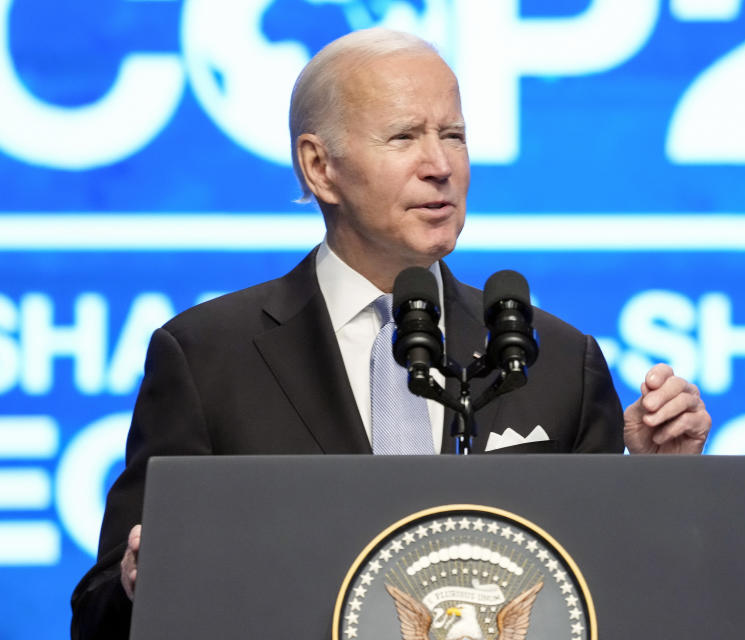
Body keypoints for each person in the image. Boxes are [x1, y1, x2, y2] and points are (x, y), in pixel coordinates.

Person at [70, 28, 711, 639]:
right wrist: (140, 583)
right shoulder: (209, 358)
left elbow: (609, 605)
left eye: (453, 135)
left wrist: (660, 489)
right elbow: (96, 618)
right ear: (320, 168)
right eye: (404, 136)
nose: (440, 166)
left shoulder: (556, 358)